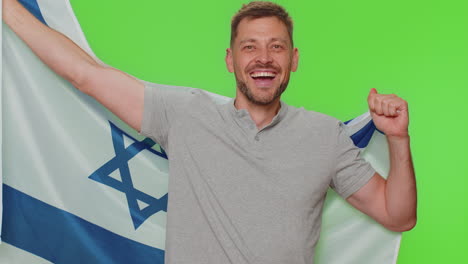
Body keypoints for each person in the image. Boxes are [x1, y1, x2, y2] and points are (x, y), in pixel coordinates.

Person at [3, 1, 417, 263]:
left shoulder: (325, 136)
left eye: (277, 47)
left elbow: (398, 215)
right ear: (230, 60)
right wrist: (9, 8)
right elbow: (86, 75)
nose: (263, 58)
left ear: (293, 60)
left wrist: (398, 139)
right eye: (249, 46)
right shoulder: (183, 113)